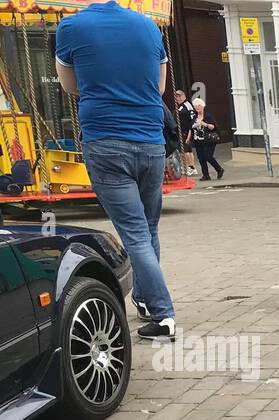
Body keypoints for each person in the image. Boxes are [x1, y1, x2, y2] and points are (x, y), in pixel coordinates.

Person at [55, 0, 178, 339]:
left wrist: (101, 88)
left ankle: (164, 315)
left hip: (106, 142)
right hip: (151, 143)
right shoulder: (149, 27)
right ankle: (144, 297)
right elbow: (160, 87)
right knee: (147, 229)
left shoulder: (72, 27)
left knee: (135, 234)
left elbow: (68, 85)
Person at [189, 98, 224, 180]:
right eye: (195, 106)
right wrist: (188, 138)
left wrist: (204, 124)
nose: (197, 107)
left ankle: (219, 169)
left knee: (208, 156)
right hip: (197, 140)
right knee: (201, 158)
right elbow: (190, 127)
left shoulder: (208, 116)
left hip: (209, 140)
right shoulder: (194, 117)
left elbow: (213, 127)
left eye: (199, 105)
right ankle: (206, 175)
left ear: (203, 106)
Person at [174, 87, 197, 176]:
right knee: (187, 150)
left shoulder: (187, 106)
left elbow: (192, 119)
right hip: (182, 131)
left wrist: (189, 134)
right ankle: (191, 167)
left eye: (180, 96)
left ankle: (190, 167)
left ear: (184, 96)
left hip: (186, 131)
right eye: (176, 97)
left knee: (186, 150)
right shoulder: (180, 107)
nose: (178, 98)